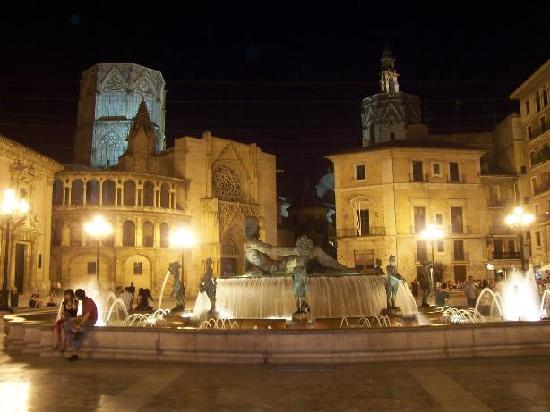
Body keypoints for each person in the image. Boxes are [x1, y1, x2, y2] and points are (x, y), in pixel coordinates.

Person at [64, 289, 98, 361]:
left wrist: (80, 324)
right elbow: (84, 315)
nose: (76, 298)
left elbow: (88, 315)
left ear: (79, 296)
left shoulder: (88, 302)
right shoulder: (84, 301)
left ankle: (75, 354)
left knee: (78, 334)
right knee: (68, 322)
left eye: (76, 296)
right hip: (85, 320)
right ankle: (74, 330)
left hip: (90, 322)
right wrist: (78, 319)